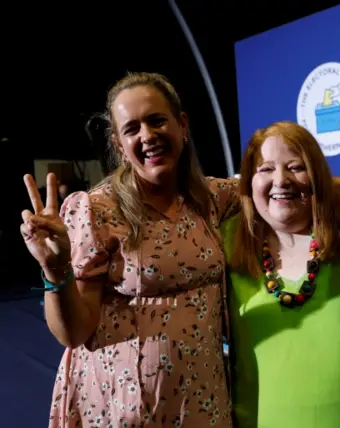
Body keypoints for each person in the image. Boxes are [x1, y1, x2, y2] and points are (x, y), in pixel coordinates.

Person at [20, 72, 239, 427]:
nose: (148, 136)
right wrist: (54, 267)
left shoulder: (213, 198)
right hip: (125, 408)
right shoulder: (96, 210)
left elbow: (277, 188)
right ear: (119, 144)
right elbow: (74, 333)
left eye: (157, 121)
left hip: (204, 404)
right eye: (132, 129)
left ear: (182, 125)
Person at [220, 121, 340, 428]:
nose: (281, 180)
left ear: (317, 177)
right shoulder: (224, 245)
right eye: (265, 169)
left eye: (296, 167)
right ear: (247, 182)